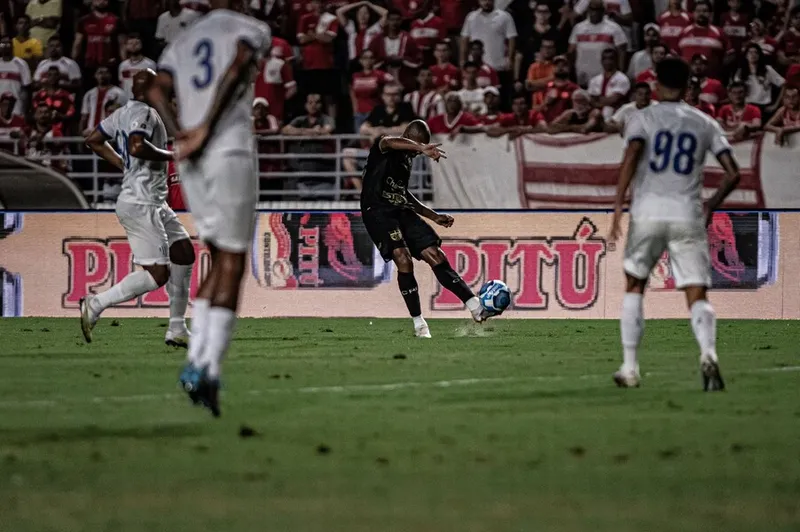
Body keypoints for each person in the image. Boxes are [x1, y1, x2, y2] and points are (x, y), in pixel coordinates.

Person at [146, 0, 271, 416]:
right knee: (233, 261)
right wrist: (205, 129)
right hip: (228, 149)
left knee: (216, 257)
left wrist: (180, 134)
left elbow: (155, 89)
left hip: (191, 159)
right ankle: (208, 369)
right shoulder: (248, 27)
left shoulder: (183, 40)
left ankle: (195, 360)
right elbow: (238, 66)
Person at [607, 57, 741, 391]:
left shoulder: (642, 118)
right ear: (687, 85)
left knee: (635, 284)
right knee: (696, 291)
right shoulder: (704, 122)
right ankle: (708, 353)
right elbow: (733, 173)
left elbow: (632, 155)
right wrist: (711, 204)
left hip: (648, 212)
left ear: (656, 84)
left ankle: (630, 367)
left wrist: (617, 208)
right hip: (687, 212)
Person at [82, 70, 196, 350]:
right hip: (141, 202)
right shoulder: (143, 112)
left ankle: (177, 329)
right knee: (158, 274)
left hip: (154, 200)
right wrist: (173, 155)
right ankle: (96, 303)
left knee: (184, 252)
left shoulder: (122, 113)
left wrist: (123, 165)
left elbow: (94, 139)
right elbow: (136, 145)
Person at [360, 119, 492, 338]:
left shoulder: (406, 160)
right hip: (377, 211)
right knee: (403, 258)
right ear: (409, 138)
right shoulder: (384, 146)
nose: (417, 153)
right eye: (417, 146)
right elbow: (390, 141)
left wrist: (434, 216)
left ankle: (475, 306)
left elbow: (403, 194)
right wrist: (420, 147)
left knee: (435, 254)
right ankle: (419, 324)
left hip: (400, 211)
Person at [568, 0, 628, 86]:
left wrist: (620, 71)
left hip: (605, 76)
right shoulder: (579, 28)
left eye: (598, 10)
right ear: (588, 10)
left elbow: (622, 50)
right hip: (582, 75)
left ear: (603, 11)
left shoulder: (614, 28)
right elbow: (571, 51)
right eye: (592, 9)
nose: (595, 12)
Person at [732, 43, 785, 113]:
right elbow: (735, 90)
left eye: (756, 52)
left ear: (759, 55)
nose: (753, 55)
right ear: (746, 56)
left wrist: (775, 105)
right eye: (750, 52)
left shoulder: (767, 69)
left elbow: (784, 84)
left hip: (764, 107)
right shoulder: (740, 72)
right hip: (746, 106)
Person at [80, 66, 127, 135]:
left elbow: (123, 115)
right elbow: (84, 116)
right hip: (91, 132)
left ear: (110, 75)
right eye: (100, 73)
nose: (103, 75)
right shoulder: (89, 94)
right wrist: (81, 132)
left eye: (106, 73)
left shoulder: (119, 93)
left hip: (110, 132)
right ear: (95, 76)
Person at [588, 47, 630, 120]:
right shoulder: (594, 80)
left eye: (611, 58)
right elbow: (591, 101)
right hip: (595, 116)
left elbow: (613, 100)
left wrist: (597, 99)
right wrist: (604, 100)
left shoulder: (622, 79)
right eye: (605, 59)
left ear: (616, 60)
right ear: (601, 61)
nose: (607, 61)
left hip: (615, 117)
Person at [536, 55, 579, 123]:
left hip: (565, 125)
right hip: (547, 124)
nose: (560, 67)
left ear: (569, 68)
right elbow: (537, 110)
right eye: (557, 65)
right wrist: (546, 102)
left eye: (563, 65)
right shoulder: (547, 87)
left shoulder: (575, 88)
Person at [118, 34, 158, 99]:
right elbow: (122, 83)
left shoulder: (150, 64)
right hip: (127, 101)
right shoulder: (123, 65)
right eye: (130, 43)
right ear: (126, 46)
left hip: (144, 101)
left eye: (136, 43)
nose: (133, 45)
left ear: (141, 45)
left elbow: (154, 85)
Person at [0, 36, 32, 117]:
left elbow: (26, 90)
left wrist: (24, 111)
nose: (5, 46)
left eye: (8, 43)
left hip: (17, 110)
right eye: (3, 44)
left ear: (12, 46)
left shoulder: (21, 64)